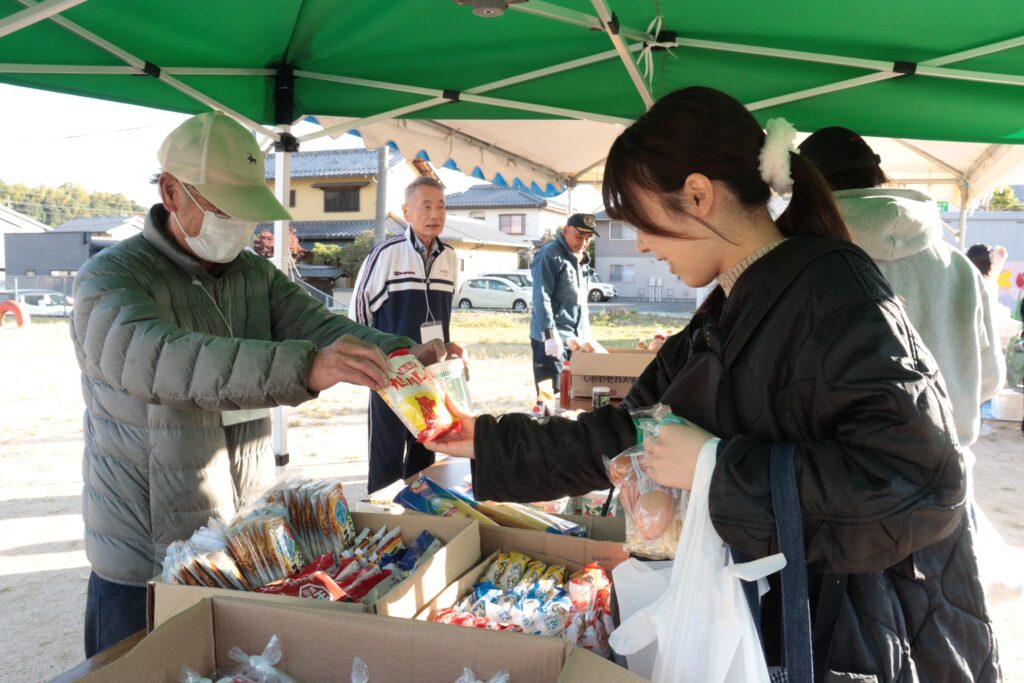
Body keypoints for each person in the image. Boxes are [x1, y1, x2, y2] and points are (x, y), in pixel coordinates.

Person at [429, 87, 999, 681]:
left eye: (642, 223)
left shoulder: (833, 293)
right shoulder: (732, 301)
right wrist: (478, 437)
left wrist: (716, 465)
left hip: (865, 635)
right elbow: (627, 430)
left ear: (698, 195)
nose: (644, 246)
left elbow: (921, 485)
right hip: (790, 618)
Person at [71, 112, 451, 656]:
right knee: (131, 668)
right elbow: (161, 360)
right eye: (224, 208)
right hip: (143, 551)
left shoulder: (252, 274)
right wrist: (305, 368)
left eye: (247, 210)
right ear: (172, 193)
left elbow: (326, 327)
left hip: (237, 537)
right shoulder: (110, 278)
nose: (239, 224)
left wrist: (402, 354)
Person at [798, 126, 1004, 448]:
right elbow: (989, 378)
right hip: (947, 474)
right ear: (877, 176)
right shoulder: (960, 267)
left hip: (837, 477)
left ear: (805, 188)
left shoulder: (797, 263)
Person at [350, 176, 460, 493]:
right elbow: (359, 314)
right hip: (391, 374)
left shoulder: (450, 257)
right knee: (386, 455)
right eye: (425, 206)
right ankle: (383, 522)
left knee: (425, 451)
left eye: (440, 207)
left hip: (432, 373)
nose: (434, 214)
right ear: (406, 212)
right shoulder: (386, 254)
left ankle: (423, 517)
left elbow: (445, 312)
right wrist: (374, 360)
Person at [529, 213, 598, 395]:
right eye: (579, 237)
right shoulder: (550, 255)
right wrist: (549, 334)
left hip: (576, 340)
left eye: (587, 239)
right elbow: (540, 296)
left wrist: (586, 336)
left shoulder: (581, 259)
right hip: (552, 339)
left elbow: (580, 301)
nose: (583, 243)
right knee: (552, 396)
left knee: (575, 396)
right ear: (566, 230)